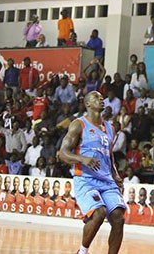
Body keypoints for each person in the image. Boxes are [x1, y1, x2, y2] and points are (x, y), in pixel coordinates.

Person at [58, 91, 125, 254]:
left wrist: (116, 175)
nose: (101, 99)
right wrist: (82, 159)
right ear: (87, 103)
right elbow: (62, 153)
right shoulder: (78, 124)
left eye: (102, 98)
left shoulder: (110, 128)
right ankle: (82, 251)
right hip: (86, 179)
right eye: (96, 97)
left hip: (107, 181)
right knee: (98, 213)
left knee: (118, 218)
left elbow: (109, 155)